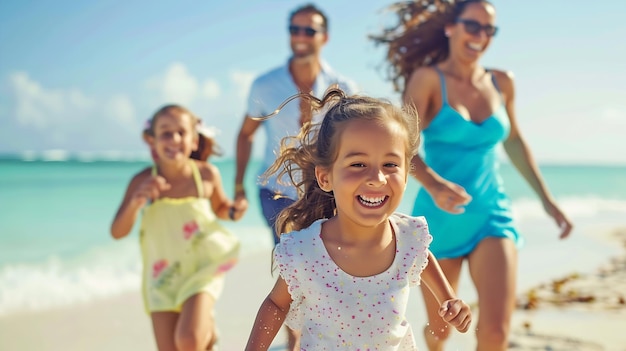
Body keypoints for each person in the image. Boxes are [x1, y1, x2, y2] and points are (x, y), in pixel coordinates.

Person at [371, 1, 574, 350]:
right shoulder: (428, 80)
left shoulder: (502, 82)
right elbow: (399, 147)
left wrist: (547, 200)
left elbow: (513, 141)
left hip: (492, 213)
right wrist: (434, 185)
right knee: (441, 331)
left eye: (489, 29)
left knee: (495, 334)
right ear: (451, 27)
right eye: (473, 25)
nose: (480, 35)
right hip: (441, 218)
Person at [244, 88, 472, 350]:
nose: (377, 178)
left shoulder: (410, 236)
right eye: (358, 164)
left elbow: (422, 257)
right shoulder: (305, 250)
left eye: (390, 164)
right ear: (325, 177)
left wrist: (450, 299)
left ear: (406, 176)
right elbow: (276, 303)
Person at [111, 105, 243, 351]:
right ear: (153, 141)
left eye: (181, 133)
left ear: (194, 140)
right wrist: (135, 203)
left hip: (202, 269)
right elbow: (117, 232)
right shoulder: (142, 181)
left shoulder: (204, 175)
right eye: (165, 133)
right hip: (162, 278)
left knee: (188, 341)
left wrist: (235, 210)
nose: (174, 139)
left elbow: (221, 207)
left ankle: (207, 332)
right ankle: (205, 332)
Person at [234, 3, 359, 245]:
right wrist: (239, 186)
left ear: (325, 37)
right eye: (295, 30)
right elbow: (245, 134)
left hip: (326, 190)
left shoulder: (342, 87)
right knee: (293, 258)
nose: (301, 36)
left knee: (328, 262)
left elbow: (354, 141)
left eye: (309, 31)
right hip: (275, 190)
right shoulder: (265, 85)